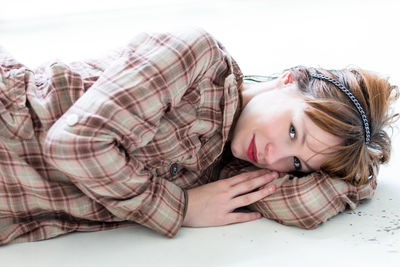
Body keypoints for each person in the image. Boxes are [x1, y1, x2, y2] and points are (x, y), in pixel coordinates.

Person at [0, 28, 397, 245]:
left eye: (297, 164)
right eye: (293, 130)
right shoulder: (197, 61)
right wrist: (183, 208)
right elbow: (75, 143)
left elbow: (301, 205)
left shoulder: (228, 168)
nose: (274, 157)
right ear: (288, 79)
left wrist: (359, 163)